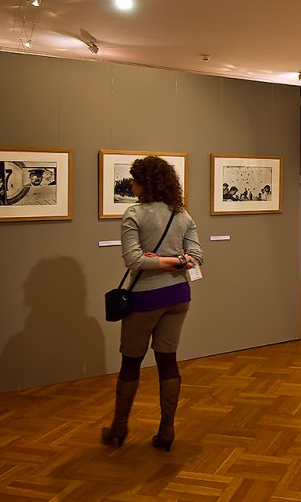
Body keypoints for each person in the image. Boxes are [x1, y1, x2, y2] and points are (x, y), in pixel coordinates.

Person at [102, 155, 203, 452]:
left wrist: (160, 261)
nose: (132, 185)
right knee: (167, 360)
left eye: (135, 180)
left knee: (131, 361)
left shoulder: (134, 214)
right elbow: (196, 256)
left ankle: (120, 427)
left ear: (145, 183)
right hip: (179, 297)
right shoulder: (181, 214)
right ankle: (167, 431)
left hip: (145, 297)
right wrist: (177, 262)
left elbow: (133, 259)